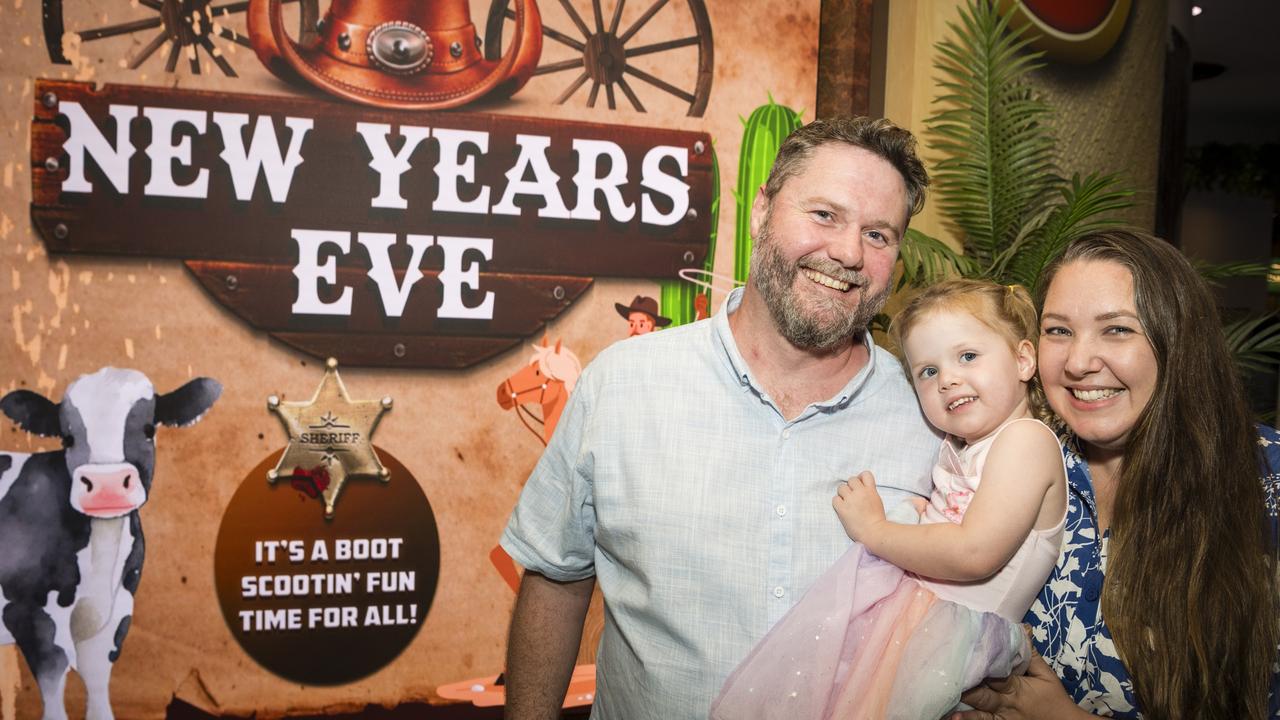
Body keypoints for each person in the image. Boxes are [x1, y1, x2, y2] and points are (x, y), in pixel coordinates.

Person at [500, 116, 941, 719]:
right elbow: (556, 577)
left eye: (879, 234)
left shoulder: (933, 418)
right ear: (762, 211)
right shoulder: (624, 385)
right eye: (824, 215)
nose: (847, 252)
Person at [954, 229, 1280, 720]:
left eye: (1118, 329)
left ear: (1178, 341)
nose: (1079, 363)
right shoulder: (1008, 459)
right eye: (1058, 330)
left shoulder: (1265, 479)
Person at [712, 279, 1067, 719]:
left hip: (956, 644)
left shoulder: (1026, 441)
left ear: (1023, 359)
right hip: (918, 632)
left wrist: (877, 530)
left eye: (968, 356)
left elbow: (974, 553)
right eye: (928, 371)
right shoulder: (964, 447)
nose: (948, 378)